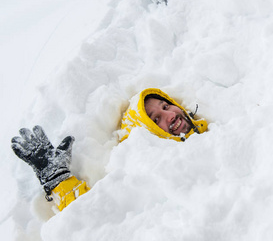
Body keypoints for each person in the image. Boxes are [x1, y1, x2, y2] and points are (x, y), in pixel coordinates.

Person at [11, 88, 208, 211]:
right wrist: (58, 179)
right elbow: (95, 213)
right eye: (155, 120)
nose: (169, 115)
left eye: (166, 106)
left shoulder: (215, 129)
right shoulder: (147, 170)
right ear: (147, 134)